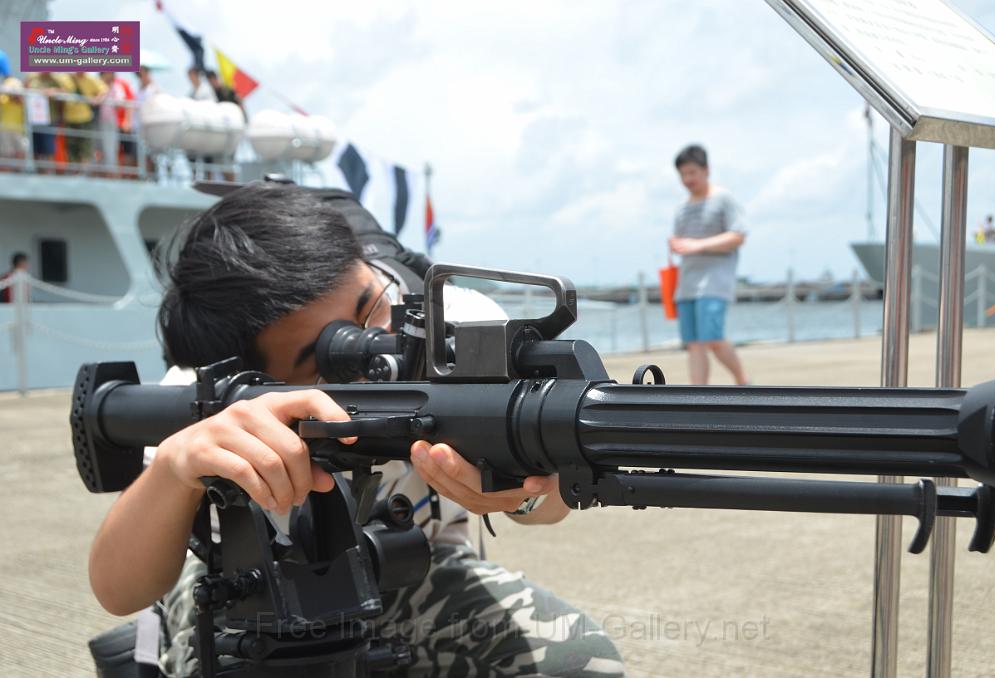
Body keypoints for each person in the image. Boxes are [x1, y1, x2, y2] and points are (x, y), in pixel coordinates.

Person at [87, 183, 625, 677]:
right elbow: (117, 585)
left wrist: (521, 495)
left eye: (370, 305)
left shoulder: (464, 326)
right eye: (325, 353)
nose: (376, 347)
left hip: (413, 573)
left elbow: (551, 502)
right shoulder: (212, 391)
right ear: (254, 374)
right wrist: (178, 471)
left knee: (577, 661)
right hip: (246, 590)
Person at [668, 144, 750, 386]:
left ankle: (743, 381)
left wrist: (697, 245)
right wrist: (677, 244)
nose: (687, 179)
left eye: (692, 172)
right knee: (693, 344)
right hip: (686, 284)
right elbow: (681, 242)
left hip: (715, 282)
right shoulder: (681, 208)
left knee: (713, 338)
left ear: (706, 170)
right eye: (683, 174)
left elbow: (738, 235)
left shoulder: (723, 198)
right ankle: (698, 395)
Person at [63, 71, 108, 169]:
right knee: (72, 148)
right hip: (69, 118)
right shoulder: (67, 78)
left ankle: (84, 172)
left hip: (85, 118)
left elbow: (104, 90)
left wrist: (97, 100)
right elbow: (61, 90)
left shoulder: (91, 79)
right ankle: (74, 171)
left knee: (86, 148)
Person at [97, 72, 136, 176]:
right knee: (104, 150)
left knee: (112, 150)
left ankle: (114, 175)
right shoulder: (99, 84)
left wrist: (127, 121)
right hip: (104, 122)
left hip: (113, 123)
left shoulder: (118, 85)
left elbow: (125, 103)